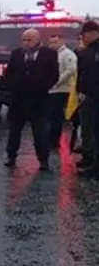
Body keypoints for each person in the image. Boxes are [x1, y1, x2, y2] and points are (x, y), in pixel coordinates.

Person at [2, 29, 59, 169]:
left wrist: (43, 86)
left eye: (29, 40)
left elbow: (54, 75)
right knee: (14, 131)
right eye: (24, 40)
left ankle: (43, 160)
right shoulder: (17, 54)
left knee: (40, 132)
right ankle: (11, 156)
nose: (26, 43)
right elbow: (9, 74)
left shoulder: (49, 54)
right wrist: (13, 87)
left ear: (37, 40)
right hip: (18, 99)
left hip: (38, 100)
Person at [47, 34, 78, 149]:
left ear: (62, 41)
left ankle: (53, 141)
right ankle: (50, 139)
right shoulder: (51, 54)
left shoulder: (68, 54)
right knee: (51, 116)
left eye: (55, 42)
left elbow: (70, 70)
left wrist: (57, 82)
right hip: (51, 89)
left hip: (62, 89)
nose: (52, 45)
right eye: (51, 42)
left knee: (56, 116)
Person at [78, 21, 99, 176]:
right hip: (91, 95)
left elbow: (91, 75)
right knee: (92, 130)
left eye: (84, 35)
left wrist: (85, 91)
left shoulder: (93, 51)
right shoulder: (90, 50)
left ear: (93, 33)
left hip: (94, 96)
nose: (83, 38)